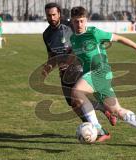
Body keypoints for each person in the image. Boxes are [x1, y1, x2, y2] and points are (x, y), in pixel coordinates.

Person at [70, 6, 136, 148]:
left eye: (81, 21)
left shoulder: (94, 33)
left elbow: (119, 38)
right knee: (116, 111)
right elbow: (77, 55)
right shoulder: (73, 39)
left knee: (76, 91)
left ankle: (96, 126)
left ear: (86, 20)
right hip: (95, 76)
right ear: (71, 22)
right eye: (75, 21)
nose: (79, 24)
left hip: (100, 72)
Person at [42, 3, 115, 142]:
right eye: (48, 15)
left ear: (59, 14)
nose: (51, 18)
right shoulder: (46, 34)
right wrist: (48, 67)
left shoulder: (71, 25)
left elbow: (82, 42)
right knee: (73, 105)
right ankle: (103, 115)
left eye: (54, 14)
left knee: (78, 98)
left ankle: (100, 125)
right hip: (63, 72)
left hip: (77, 67)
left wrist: (70, 61)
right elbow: (52, 55)